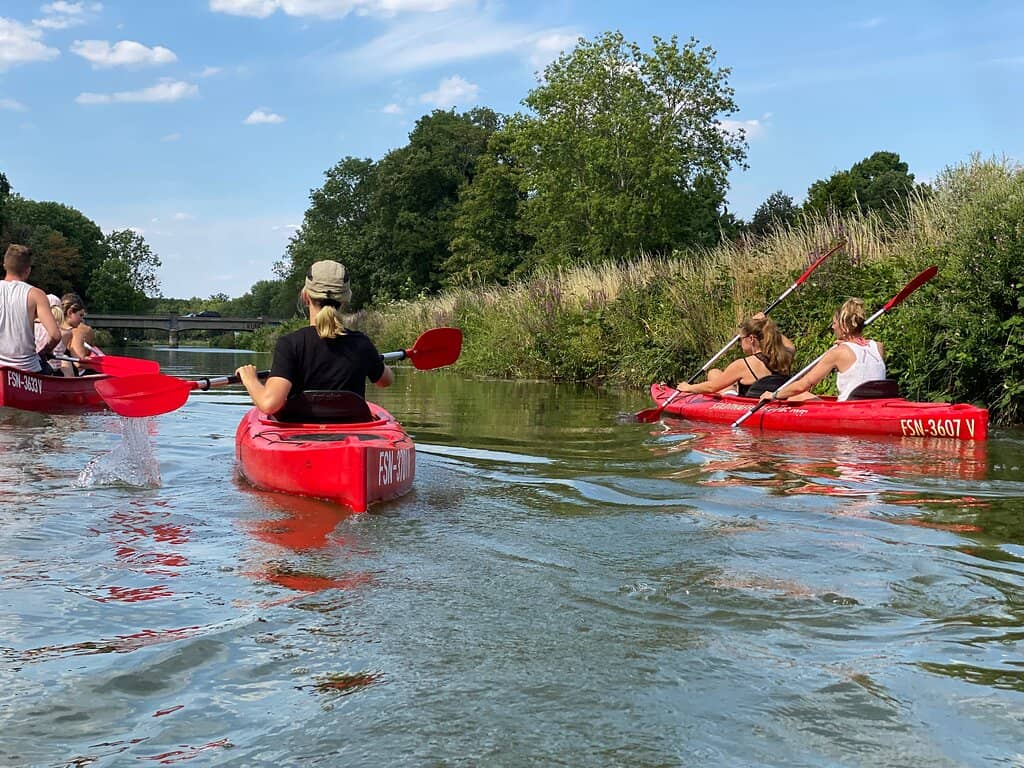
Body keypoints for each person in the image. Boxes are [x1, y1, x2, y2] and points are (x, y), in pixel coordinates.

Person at [235, 260, 393, 416]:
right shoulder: (361, 344)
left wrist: (250, 379)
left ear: (305, 296)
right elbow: (384, 381)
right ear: (345, 299)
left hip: (299, 438)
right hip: (351, 436)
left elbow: (269, 405)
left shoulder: (290, 344)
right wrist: (375, 361)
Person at [761, 298, 886, 402]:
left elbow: (803, 384)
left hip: (850, 409)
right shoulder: (878, 347)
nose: (832, 327)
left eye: (834, 323)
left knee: (797, 396)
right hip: (876, 405)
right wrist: (847, 344)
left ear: (843, 325)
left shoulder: (838, 352)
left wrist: (774, 395)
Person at [675, 312, 795, 398]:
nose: (740, 343)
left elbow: (712, 388)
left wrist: (688, 387)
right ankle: (732, 389)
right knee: (714, 372)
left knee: (715, 377)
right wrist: (767, 325)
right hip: (775, 398)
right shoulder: (784, 356)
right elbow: (790, 346)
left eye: (740, 339)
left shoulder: (743, 365)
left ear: (751, 339)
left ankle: (730, 394)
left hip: (749, 405)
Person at [0, 244, 61, 373]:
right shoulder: (36, 295)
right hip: (28, 370)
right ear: (28, 270)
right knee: (53, 370)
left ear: (4, 265)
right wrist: (44, 352)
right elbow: (55, 335)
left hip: (1, 369)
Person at [60, 293, 95, 359]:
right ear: (70, 312)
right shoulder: (77, 332)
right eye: (80, 315)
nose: (82, 320)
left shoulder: (54, 329)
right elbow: (78, 364)